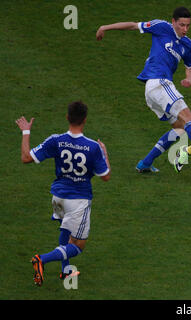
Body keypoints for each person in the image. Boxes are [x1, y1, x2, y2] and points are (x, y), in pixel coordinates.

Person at [96, 6, 191, 173]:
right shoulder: (162, 27)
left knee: (179, 128)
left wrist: (188, 78)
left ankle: (145, 163)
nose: (185, 29)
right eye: (181, 25)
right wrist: (104, 27)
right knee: (188, 117)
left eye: (188, 26)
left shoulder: (187, 44)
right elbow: (133, 25)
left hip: (155, 90)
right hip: (158, 82)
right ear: (173, 22)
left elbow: (190, 65)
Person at [16, 101, 111, 286]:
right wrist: (105, 153)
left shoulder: (56, 140)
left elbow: (26, 157)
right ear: (85, 120)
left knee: (66, 231)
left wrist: (26, 131)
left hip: (57, 197)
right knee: (77, 245)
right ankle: (41, 260)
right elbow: (105, 176)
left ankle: (66, 271)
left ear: (67, 117)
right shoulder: (92, 147)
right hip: (78, 201)